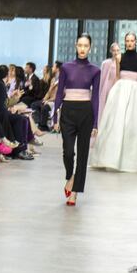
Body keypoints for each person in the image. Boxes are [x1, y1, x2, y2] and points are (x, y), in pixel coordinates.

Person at [91, 32, 137, 173]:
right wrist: (113, 94)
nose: (129, 43)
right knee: (117, 123)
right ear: (125, 42)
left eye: (132, 40)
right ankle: (113, 158)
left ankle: (133, 160)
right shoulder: (119, 57)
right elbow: (117, 76)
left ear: (136, 42)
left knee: (134, 124)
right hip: (121, 90)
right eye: (127, 40)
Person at [52, 34, 101, 207]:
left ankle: (74, 193)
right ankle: (69, 176)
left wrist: (96, 122)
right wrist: (55, 115)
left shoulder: (95, 70)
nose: (82, 48)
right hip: (68, 112)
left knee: (82, 154)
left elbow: (95, 98)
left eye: (85, 45)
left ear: (90, 47)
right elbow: (59, 93)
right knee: (68, 151)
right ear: (75, 46)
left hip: (85, 112)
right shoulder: (66, 67)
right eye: (79, 45)